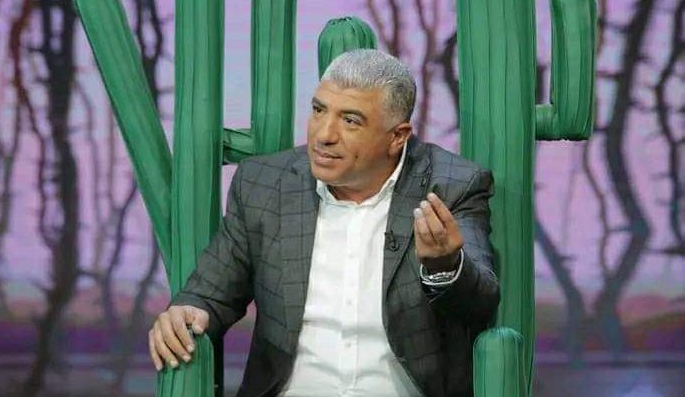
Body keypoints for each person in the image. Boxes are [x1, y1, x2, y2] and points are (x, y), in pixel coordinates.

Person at [147, 49, 499, 397]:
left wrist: (444, 266)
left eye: (351, 121)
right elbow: (211, 293)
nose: (324, 135)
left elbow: (481, 304)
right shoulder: (264, 184)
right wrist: (187, 311)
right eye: (319, 111)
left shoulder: (451, 186)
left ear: (397, 136)